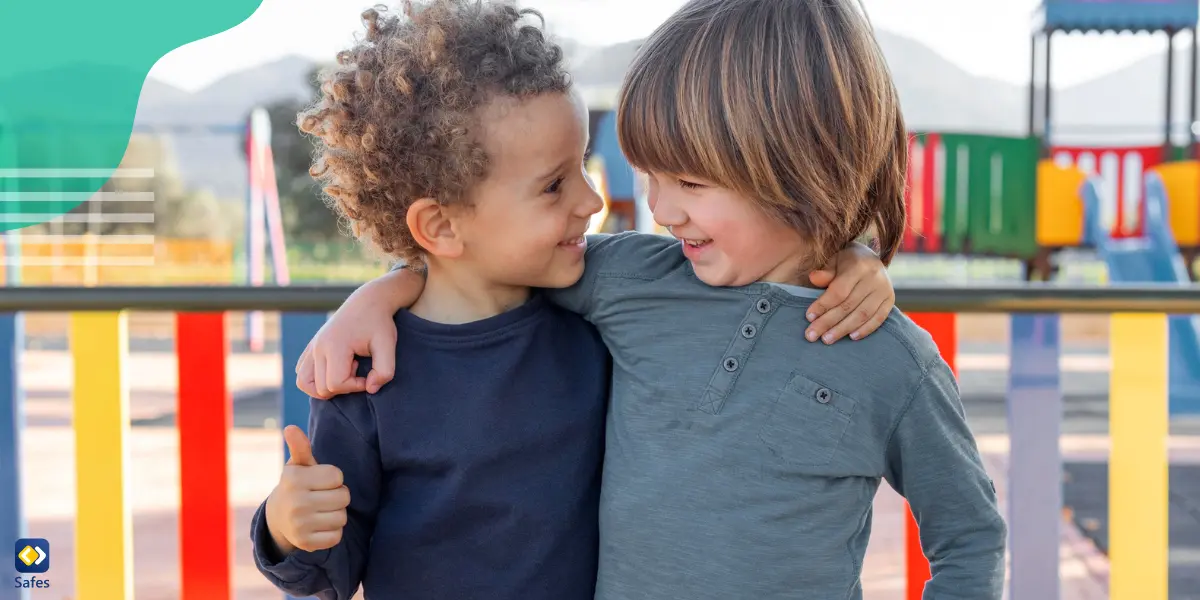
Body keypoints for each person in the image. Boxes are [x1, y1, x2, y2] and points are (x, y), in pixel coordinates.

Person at [300, 2, 1007, 599]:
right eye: (651, 178)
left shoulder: (893, 359)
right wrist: (385, 289)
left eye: (690, 184)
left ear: (804, 169)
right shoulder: (630, 279)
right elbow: (483, 253)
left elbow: (969, 537)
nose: (660, 209)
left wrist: (859, 248)